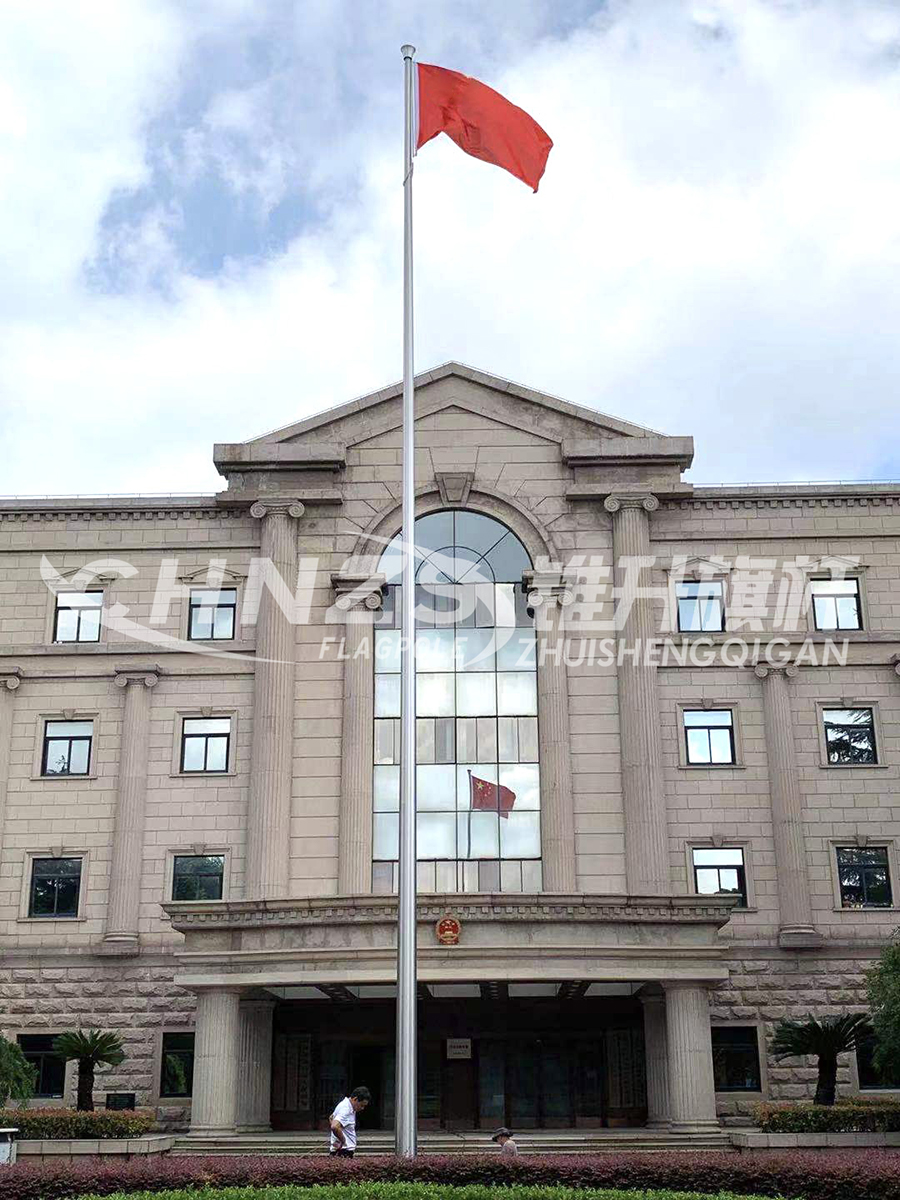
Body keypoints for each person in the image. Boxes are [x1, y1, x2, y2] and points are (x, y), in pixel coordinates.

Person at [329, 1086, 371, 1157]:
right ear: (355, 1099)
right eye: (361, 1105)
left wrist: (338, 1134)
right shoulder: (346, 1109)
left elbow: (331, 1118)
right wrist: (343, 1141)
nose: (362, 1108)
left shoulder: (346, 1105)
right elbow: (334, 1126)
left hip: (342, 1150)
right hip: (343, 1152)